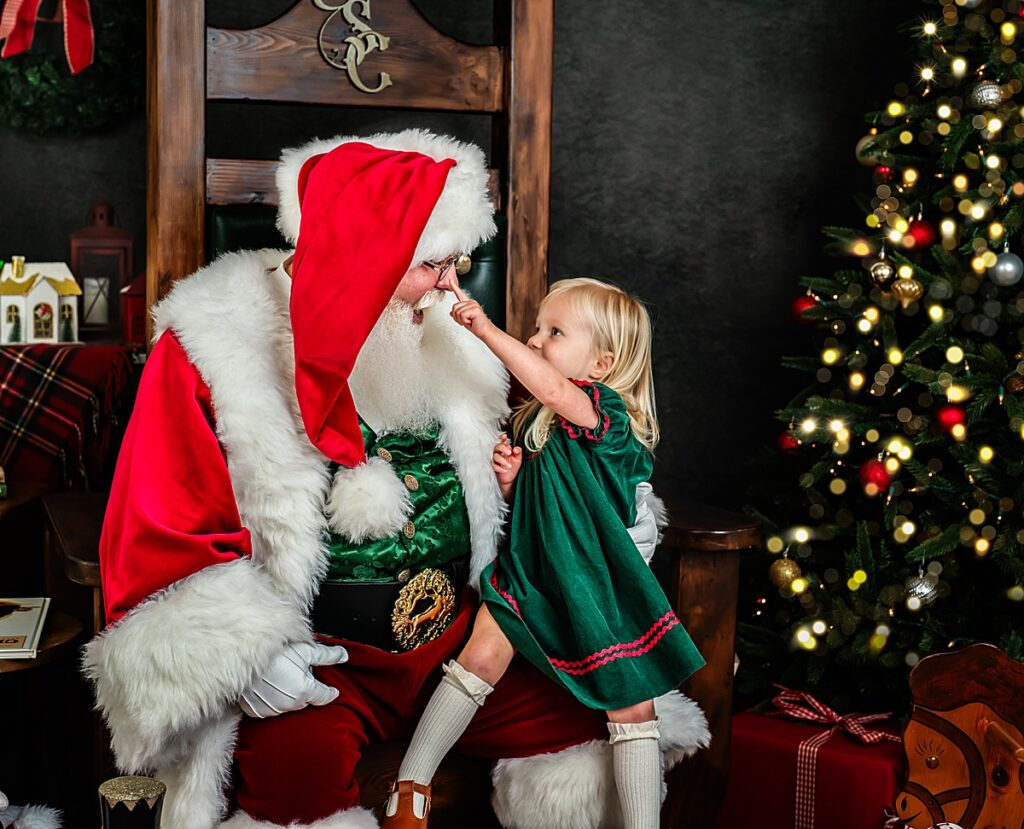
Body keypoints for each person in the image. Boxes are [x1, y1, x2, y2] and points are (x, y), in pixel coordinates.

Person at [84, 130, 708, 829]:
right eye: (433, 264)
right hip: (320, 665)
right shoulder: (212, 349)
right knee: (295, 791)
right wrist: (239, 658)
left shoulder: (445, 335)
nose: (452, 282)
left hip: (470, 639)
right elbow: (156, 524)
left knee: (612, 709)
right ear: (365, 258)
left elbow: (557, 439)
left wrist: (615, 508)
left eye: (454, 261)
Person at [383, 277, 705, 829]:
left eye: (554, 331)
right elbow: (552, 496)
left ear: (601, 365)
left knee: (632, 706)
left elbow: (557, 392)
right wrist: (514, 483)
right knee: (478, 657)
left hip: (591, 587)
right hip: (530, 578)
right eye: (536, 328)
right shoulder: (540, 421)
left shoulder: (605, 417)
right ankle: (411, 787)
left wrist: (483, 328)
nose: (534, 340)